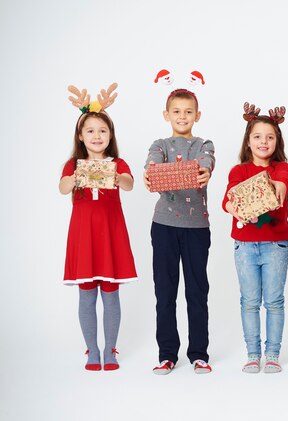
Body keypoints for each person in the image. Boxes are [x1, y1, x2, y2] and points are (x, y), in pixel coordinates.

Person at [59, 84, 137, 371]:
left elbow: (129, 183)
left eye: (102, 131)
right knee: (87, 294)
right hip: (84, 236)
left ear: (110, 136)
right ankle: (92, 349)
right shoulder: (72, 165)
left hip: (110, 235)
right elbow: (62, 187)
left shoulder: (117, 163)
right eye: (90, 130)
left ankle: (110, 349)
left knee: (111, 294)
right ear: (81, 136)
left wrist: (116, 176)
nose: (96, 136)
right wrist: (77, 176)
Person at [144, 88, 215, 375]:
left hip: (197, 227)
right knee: (165, 292)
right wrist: (151, 172)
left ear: (197, 115)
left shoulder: (203, 144)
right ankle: (167, 354)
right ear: (167, 115)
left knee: (197, 292)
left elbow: (206, 163)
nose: (182, 116)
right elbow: (152, 162)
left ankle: (198, 353)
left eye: (188, 112)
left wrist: (203, 171)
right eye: (176, 111)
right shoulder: (160, 145)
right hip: (163, 227)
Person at [223, 103, 288, 374]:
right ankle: (253, 354)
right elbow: (227, 200)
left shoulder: (282, 169)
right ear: (248, 141)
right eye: (257, 137)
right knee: (249, 301)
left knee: (274, 301)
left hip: (275, 245)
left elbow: (283, 181)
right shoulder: (238, 171)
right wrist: (234, 206)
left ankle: (273, 354)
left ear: (277, 141)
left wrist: (277, 188)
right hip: (245, 245)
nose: (264, 142)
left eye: (270, 137)